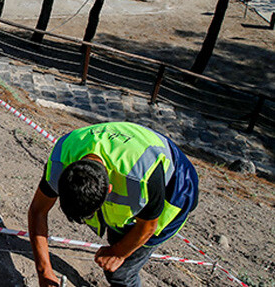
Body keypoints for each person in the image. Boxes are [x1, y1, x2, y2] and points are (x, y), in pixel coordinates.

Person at [28, 122, 199, 287]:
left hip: (176, 188)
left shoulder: (142, 177)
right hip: (131, 152)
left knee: (121, 272)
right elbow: (37, 211)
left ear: (110, 190)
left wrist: (119, 252)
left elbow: (148, 226)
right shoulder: (61, 157)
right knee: (116, 237)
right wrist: (44, 272)